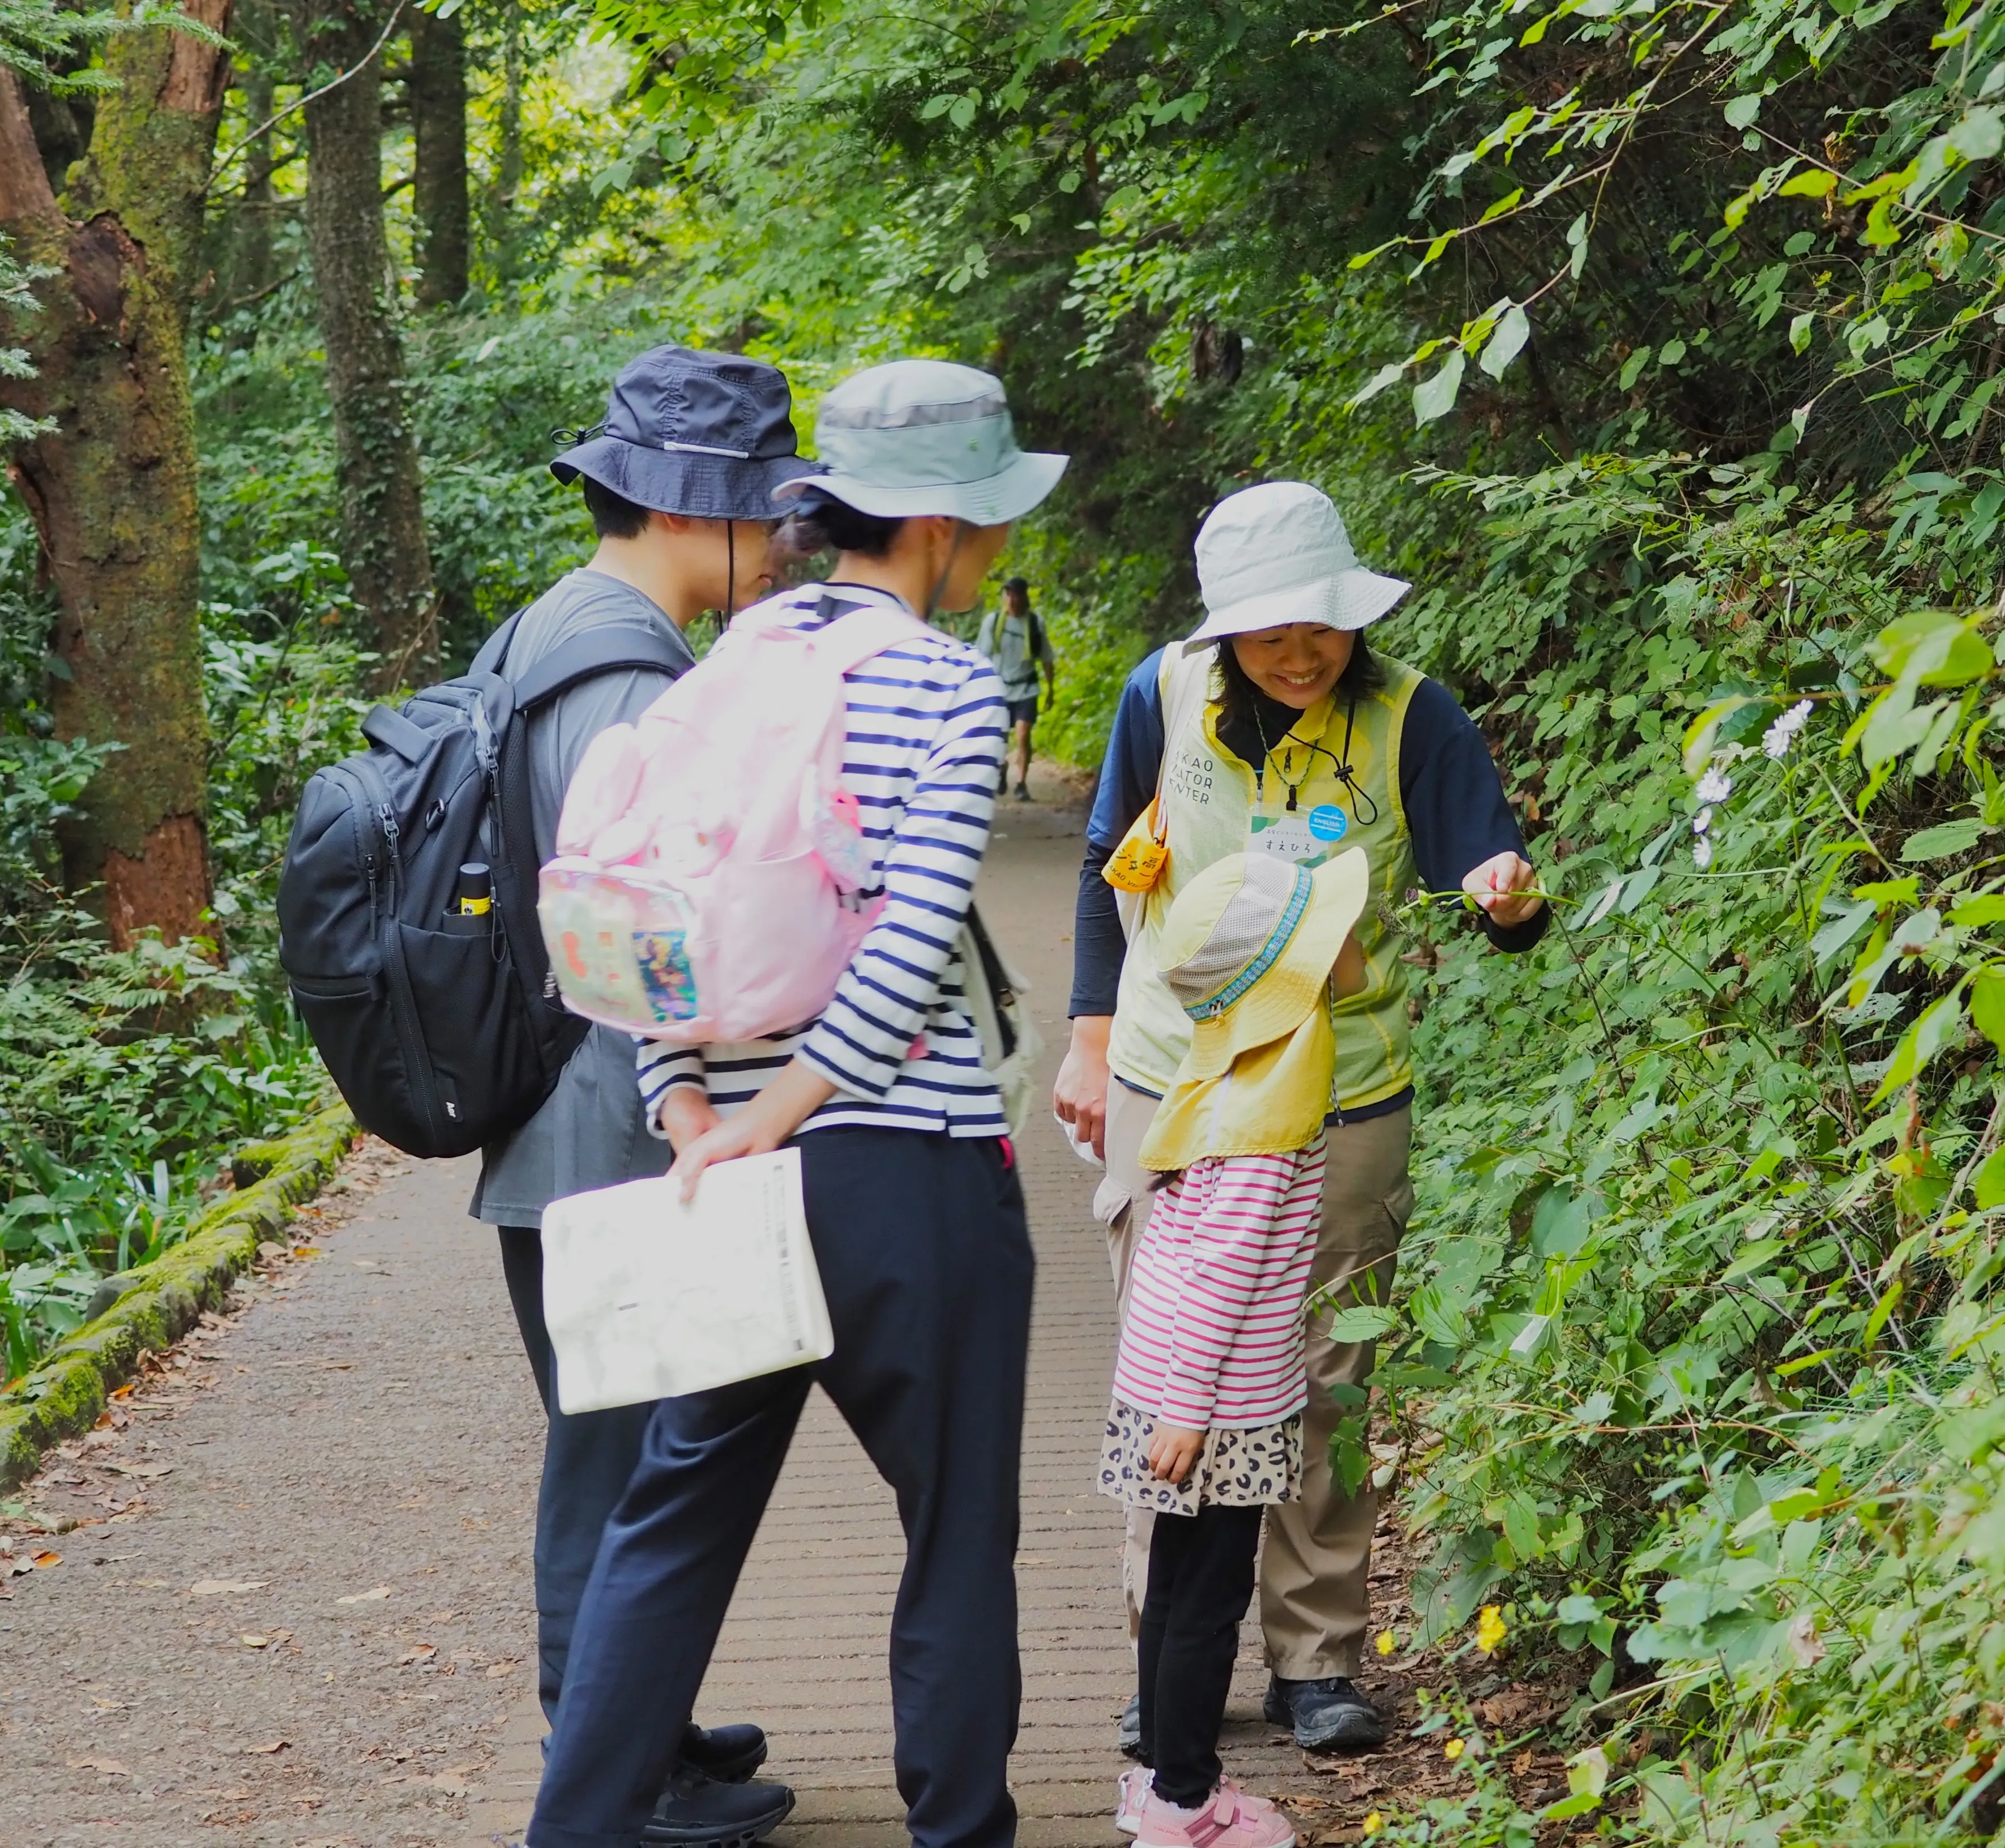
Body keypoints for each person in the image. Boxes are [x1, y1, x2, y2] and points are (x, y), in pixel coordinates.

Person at [521, 358, 1065, 1848]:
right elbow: (914, 939)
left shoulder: (730, 666)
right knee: (955, 1534)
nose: (997, 547)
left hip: (737, 1179)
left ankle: (576, 1833)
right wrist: (801, 1106)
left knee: (672, 1525)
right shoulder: (953, 686)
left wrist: (694, 1110)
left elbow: (650, 910)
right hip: (913, 1170)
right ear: (942, 529)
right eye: (993, 521)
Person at [1053, 481, 1549, 1757]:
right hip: (1173, 1079)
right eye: (1269, 632)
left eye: (1319, 626)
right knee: (1173, 1370)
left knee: (1326, 1373)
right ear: (1225, 632)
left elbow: (1492, 876)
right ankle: (1167, 1659)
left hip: (1342, 1088)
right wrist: (1089, 1032)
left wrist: (1506, 897)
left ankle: (1315, 1658)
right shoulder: (1163, 692)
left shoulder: (1411, 713)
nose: (1297, 652)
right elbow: (1110, 857)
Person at [474, 343, 805, 1837]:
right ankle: (610, 1775)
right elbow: (633, 930)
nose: (783, 543)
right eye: (763, 513)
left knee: (623, 1446)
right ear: (687, 508)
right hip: (606, 1123)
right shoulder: (625, 673)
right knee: (614, 1462)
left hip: (567, 1119)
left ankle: (641, 1728)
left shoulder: (557, 627)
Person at [1101, 846, 1373, 1848]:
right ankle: (1187, 1804)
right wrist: (1189, 1409)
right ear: (1290, 975)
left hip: (1175, 1376)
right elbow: (1223, 1270)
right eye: (1334, 929)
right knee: (1207, 1598)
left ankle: (1157, 1785)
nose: (1357, 935)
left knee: (1175, 1582)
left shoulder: (1226, 1074)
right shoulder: (1270, 1113)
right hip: (1218, 1401)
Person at [977, 575, 1057, 800]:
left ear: (1024, 597)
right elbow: (981, 655)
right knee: (999, 737)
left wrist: (1051, 689)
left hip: (1026, 687)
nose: (1012, 600)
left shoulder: (1034, 624)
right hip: (999, 687)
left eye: (1016, 595)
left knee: (1023, 735)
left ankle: (1021, 783)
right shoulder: (993, 622)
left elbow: (1046, 658)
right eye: (1008, 594)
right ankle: (1001, 767)